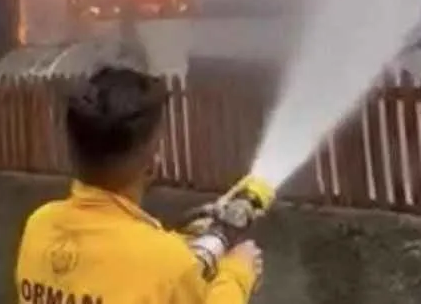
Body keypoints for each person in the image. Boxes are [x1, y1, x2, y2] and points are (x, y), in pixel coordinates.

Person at [14, 66, 263, 303]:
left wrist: (180, 241)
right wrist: (236, 275)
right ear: (152, 162)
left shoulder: (40, 225)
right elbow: (157, 269)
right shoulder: (168, 264)